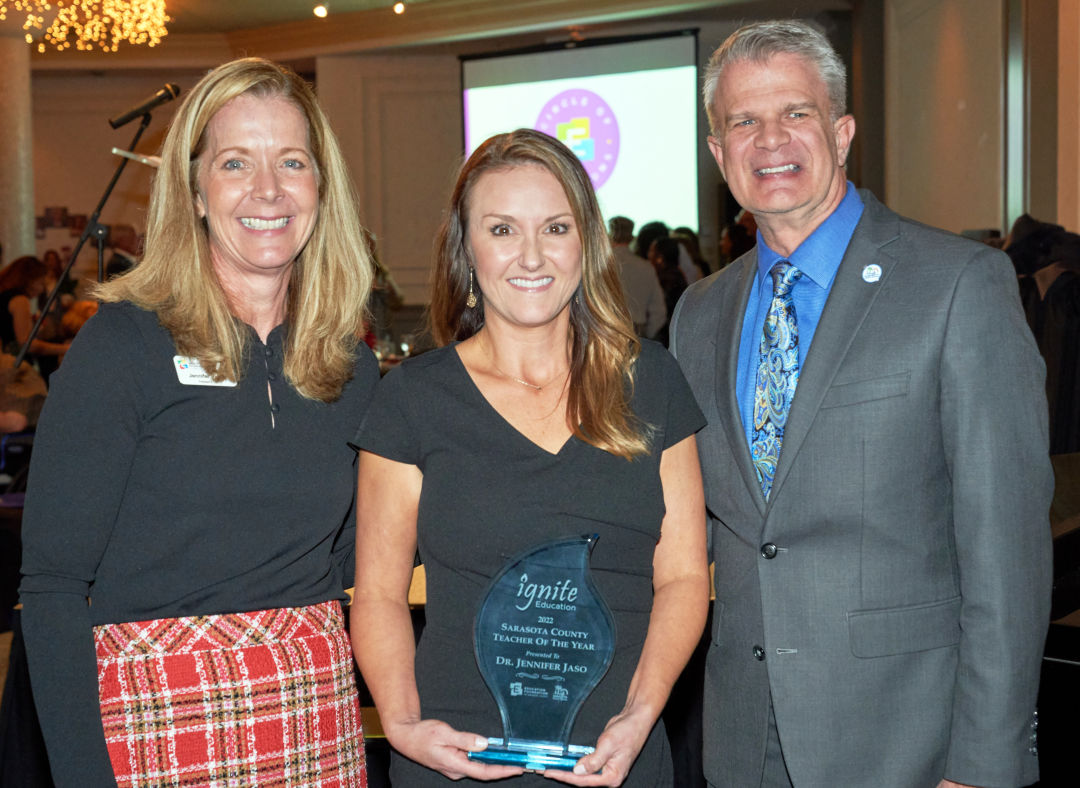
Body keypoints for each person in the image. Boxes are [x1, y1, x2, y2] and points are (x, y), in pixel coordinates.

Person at [669, 19, 1053, 788]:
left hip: (907, 743)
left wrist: (984, 762)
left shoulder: (957, 287)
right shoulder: (699, 314)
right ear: (719, 154)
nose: (768, 138)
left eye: (796, 113)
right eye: (743, 120)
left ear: (842, 133)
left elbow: (1005, 547)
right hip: (743, 739)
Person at [19, 57, 377, 787]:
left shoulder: (349, 365)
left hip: (312, 718)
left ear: (320, 186)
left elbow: (352, 564)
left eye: (293, 162)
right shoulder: (125, 344)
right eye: (236, 162)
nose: (269, 189)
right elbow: (53, 585)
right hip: (154, 722)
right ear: (195, 191)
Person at [351, 128, 709, 786]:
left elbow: (684, 579)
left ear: (586, 242)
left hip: (618, 758)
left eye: (555, 227)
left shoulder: (652, 382)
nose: (532, 255)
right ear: (467, 249)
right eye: (502, 229)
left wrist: (639, 714)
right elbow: (377, 594)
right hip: (453, 759)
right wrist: (401, 724)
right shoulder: (412, 400)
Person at [0, 256, 71, 360]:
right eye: (41, 283)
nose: (42, 290)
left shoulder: (4, 295)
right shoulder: (20, 300)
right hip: (13, 362)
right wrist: (66, 349)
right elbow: (27, 344)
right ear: (29, 279)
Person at [609, 215, 666, 339]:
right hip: (639, 331)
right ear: (631, 237)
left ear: (609, 234)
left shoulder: (601, 265)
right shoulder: (646, 267)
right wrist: (648, 335)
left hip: (607, 329)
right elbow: (659, 309)